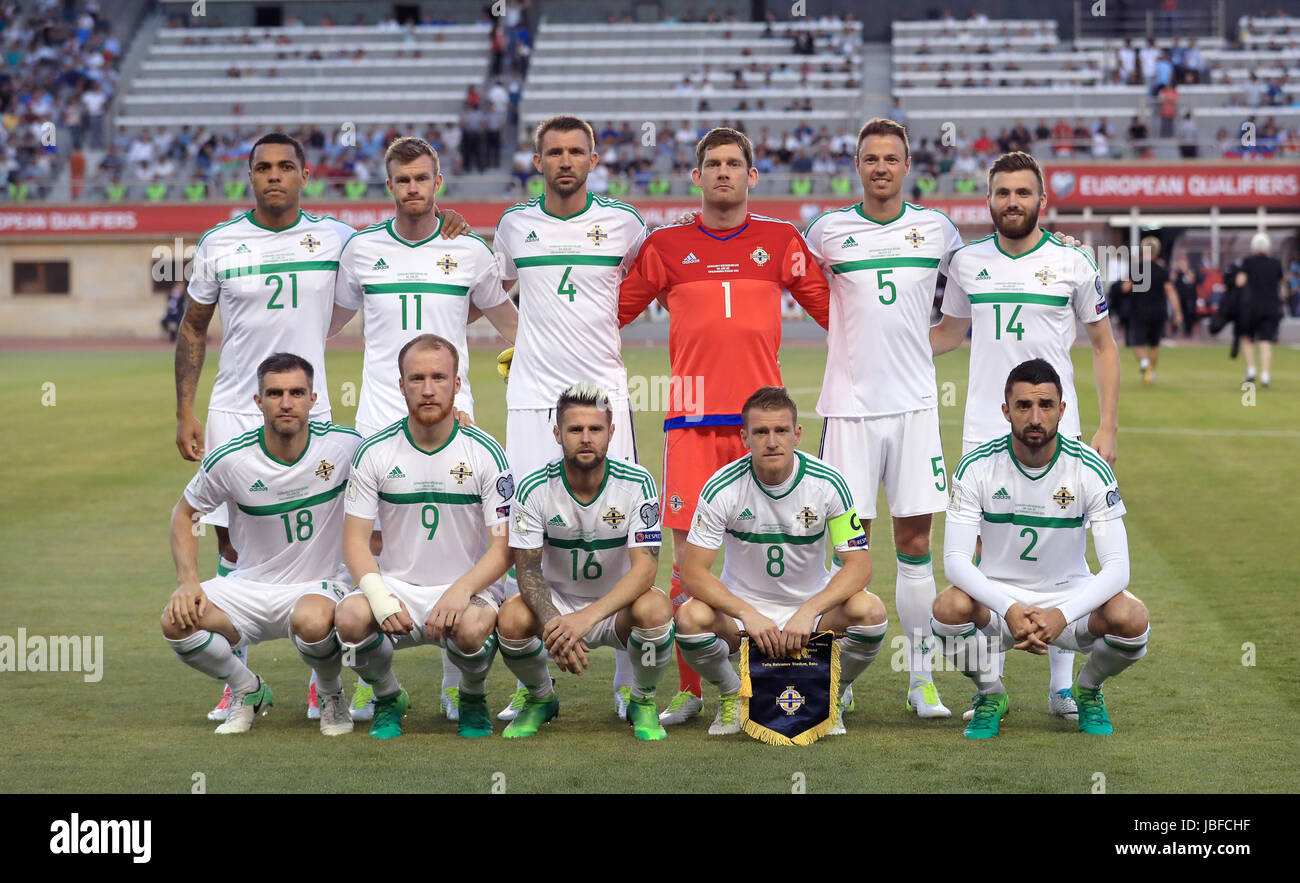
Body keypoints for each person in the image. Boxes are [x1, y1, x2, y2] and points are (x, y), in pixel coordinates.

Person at [177, 133, 469, 722]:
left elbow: (405, 237)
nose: (274, 176)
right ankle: (238, 682)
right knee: (235, 548)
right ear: (249, 175)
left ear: (305, 175)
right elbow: (192, 327)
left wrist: (444, 219)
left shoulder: (338, 239)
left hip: (314, 409)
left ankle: (324, 668)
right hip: (235, 407)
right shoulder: (218, 242)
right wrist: (184, 408)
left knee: (335, 546)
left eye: (286, 166)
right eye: (263, 167)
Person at [617, 127, 831, 726]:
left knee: (774, 555)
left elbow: (839, 309)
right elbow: (605, 310)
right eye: (712, 163)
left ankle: (774, 679)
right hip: (690, 423)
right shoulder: (666, 245)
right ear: (696, 175)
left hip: (763, 429)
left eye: (734, 164)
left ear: (752, 176)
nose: (723, 173)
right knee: (690, 566)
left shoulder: (781, 240)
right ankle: (698, 689)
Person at [330, 135, 518, 722]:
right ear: (389, 187)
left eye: (422, 179)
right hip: (378, 418)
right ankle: (370, 676)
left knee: (458, 542)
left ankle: (452, 674)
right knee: (373, 543)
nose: (413, 188)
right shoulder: (360, 252)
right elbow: (324, 324)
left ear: (439, 182)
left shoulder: (471, 252)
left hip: (452, 412)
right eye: (402, 180)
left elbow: (511, 323)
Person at [931, 151, 1120, 720]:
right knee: (985, 554)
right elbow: (947, 335)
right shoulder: (966, 262)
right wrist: (877, 341)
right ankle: (991, 685)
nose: (1012, 201)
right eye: (1001, 192)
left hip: (1056, 425)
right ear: (988, 200)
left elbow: (1104, 345)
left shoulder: (1073, 260)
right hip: (984, 431)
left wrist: (1109, 425)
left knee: (1064, 549)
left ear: (1042, 200)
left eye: (1022, 192)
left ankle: (1063, 686)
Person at [802, 117, 960, 719]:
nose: (881, 167)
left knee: (916, 543)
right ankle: (833, 682)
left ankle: (921, 679)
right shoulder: (826, 232)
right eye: (871, 158)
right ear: (858, 166)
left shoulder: (938, 229)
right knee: (848, 549)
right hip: (849, 412)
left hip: (916, 409)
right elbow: (780, 272)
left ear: (908, 164)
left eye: (892, 158)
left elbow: (985, 269)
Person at [494, 115, 647, 721]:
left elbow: (651, 281)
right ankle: (533, 685)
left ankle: (630, 687)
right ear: (538, 161)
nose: (564, 160)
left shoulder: (624, 223)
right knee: (523, 535)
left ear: (593, 159)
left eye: (575, 151)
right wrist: (524, 342)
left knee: (620, 533)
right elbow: (490, 289)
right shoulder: (512, 225)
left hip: (603, 400)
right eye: (553, 151)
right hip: (531, 399)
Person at [934, 359, 1148, 739]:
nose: (1035, 417)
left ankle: (1088, 689)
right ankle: (990, 694)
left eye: (1046, 405)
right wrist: (1009, 608)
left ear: (1062, 410)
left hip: (1070, 600)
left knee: (1132, 618)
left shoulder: (1091, 469)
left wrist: (1062, 615)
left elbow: (1117, 568)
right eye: (1023, 406)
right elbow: (954, 561)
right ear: (1006, 411)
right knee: (947, 609)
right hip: (1000, 604)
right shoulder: (977, 467)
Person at [161, 353, 361, 735]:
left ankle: (330, 694)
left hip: (319, 587)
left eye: (296, 392)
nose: (286, 403)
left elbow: (399, 451)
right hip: (249, 587)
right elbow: (183, 515)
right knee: (176, 622)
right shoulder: (231, 459)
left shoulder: (344, 446)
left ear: (313, 399)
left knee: (314, 620)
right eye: (274, 393)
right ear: (258, 401)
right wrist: (187, 580)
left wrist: (458, 424)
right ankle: (246, 688)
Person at [675, 386, 888, 735]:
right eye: (760, 432)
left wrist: (809, 610)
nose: (771, 441)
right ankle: (733, 696)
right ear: (745, 437)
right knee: (689, 618)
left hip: (812, 615)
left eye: (781, 431)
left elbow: (859, 565)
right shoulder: (722, 487)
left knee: (871, 612)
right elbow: (693, 574)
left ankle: (832, 691)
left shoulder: (828, 483)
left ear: (797, 434)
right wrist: (747, 613)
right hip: (744, 618)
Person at [335, 335, 513, 739]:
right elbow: (355, 543)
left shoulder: (486, 452)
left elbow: (504, 547)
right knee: (349, 618)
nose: (428, 389)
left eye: (439, 377)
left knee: (471, 627)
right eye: (417, 378)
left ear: (457, 384)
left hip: (466, 591)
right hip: (398, 587)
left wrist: (462, 589)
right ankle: (388, 696)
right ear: (401, 385)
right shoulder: (375, 452)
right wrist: (379, 596)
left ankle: (470, 696)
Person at [497, 382, 673, 741]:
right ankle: (541, 698)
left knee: (657, 609)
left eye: (595, 429)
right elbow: (527, 570)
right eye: (575, 429)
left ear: (611, 432)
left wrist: (586, 619)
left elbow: (645, 569)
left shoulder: (638, 483)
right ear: (557, 433)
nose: (586, 437)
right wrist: (555, 625)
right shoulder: (533, 488)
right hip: (558, 606)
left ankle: (643, 701)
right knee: (511, 617)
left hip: (617, 606)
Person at [1124, 237, 1182, 384]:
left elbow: (1125, 287)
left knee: (1138, 344)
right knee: (1154, 345)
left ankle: (1144, 363)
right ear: (1157, 252)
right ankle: (1151, 372)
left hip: (1139, 311)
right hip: (1158, 312)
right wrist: (1178, 312)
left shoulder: (1136, 268)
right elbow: (1170, 291)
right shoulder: (1162, 270)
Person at [1235, 232, 1285, 388]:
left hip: (1251, 307)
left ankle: (1251, 370)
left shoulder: (1248, 262)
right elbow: (1282, 285)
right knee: (1265, 341)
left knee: (1247, 338)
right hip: (1271, 307)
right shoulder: (1276, 263)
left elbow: (1239, 282)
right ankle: (1265, 375)